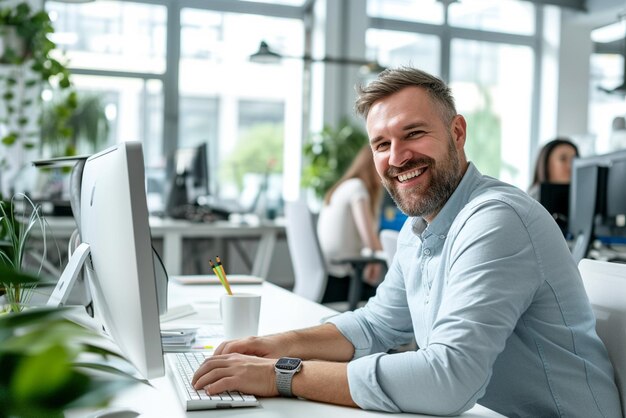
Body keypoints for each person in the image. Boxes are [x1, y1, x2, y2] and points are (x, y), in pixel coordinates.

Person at [192, 67, 621, 417]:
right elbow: (376, 324)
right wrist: (271, 347)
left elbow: (446, 382)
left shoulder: (496, 220)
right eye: (382, 143)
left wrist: (281, 374)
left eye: (413, 133)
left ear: (457, 131)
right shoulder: (419, 227)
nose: (397, 158)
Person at [316, 145, 384, 300]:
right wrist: (379, 258)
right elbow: (370, 240)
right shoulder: (357, 188)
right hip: (342, 284)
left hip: (329, 281)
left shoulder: (345, 186)